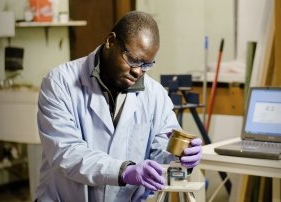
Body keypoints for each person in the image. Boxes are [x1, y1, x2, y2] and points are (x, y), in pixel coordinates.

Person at [36, 11, 202, 202]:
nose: (138, 71)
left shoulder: (155, 95)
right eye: (133, 60)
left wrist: (181, 157)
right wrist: (124, 171)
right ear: (110, 41)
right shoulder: (59, 82)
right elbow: (66, 152)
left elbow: (161, 149)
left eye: (147, 64)